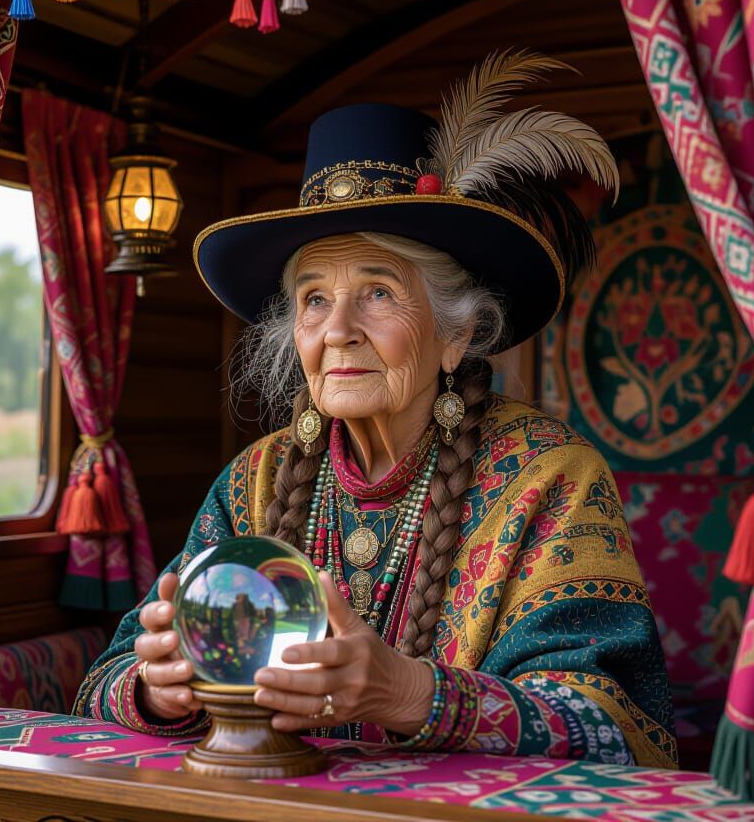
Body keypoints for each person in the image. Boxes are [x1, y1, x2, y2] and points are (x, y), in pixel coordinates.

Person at [74, 52, 677, 769]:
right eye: (315, 299)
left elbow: (620, 730)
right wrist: (157, 687)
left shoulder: (551, 479)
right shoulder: (254, 482)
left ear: (457, 334)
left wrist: (409, 693)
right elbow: (100, 684)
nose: (337, 330)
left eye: (380, 291)